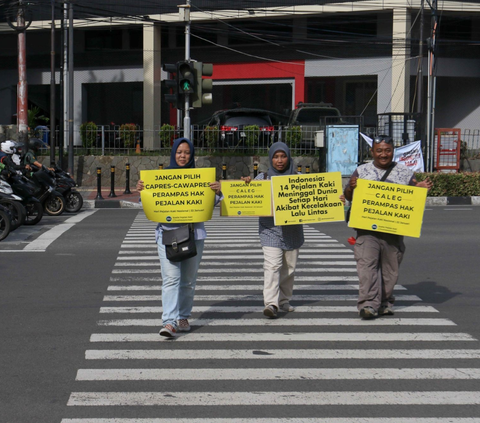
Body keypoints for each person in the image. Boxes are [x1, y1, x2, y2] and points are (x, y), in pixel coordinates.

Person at [136, 137, 222, 338]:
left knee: (188, 280)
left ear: (191, 155)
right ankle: (169, 321)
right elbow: (147, 201)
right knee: (171, 279)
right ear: (173, 154)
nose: (182, 156)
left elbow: (214, 202)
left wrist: (217, 191)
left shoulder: (201, 177)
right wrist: (142, 189)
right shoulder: (161, 176)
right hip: (167, 234)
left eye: (186, 153)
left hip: (194, 234)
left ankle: (183, 316)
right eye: (179, 152)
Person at [344, 135, 433, 320]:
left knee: (390, 271)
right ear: (372, 152)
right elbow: (349, 196)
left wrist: (421, 189)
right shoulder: (361, 171)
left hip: (393, 231)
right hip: (367, 230)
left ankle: (385, 302)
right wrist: (351, 188)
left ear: (393, 151)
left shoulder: (405, 173)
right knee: (367, 268)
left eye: (387, 150)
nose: (383, 154)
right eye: (379, 151)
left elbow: (413, 198)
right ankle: (368, 304)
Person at [242, 142, 304, 318]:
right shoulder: (262, 178)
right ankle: (271, 303)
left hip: (292, 230)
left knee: (289, 268)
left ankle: (284, 300)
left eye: (283, 156)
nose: (279, 160)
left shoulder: (299, 178)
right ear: (270, 158)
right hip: (270, 230)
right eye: (276, 157)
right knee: (272, 265)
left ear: (288, 157)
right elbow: (249, 197)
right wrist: (247, 184)